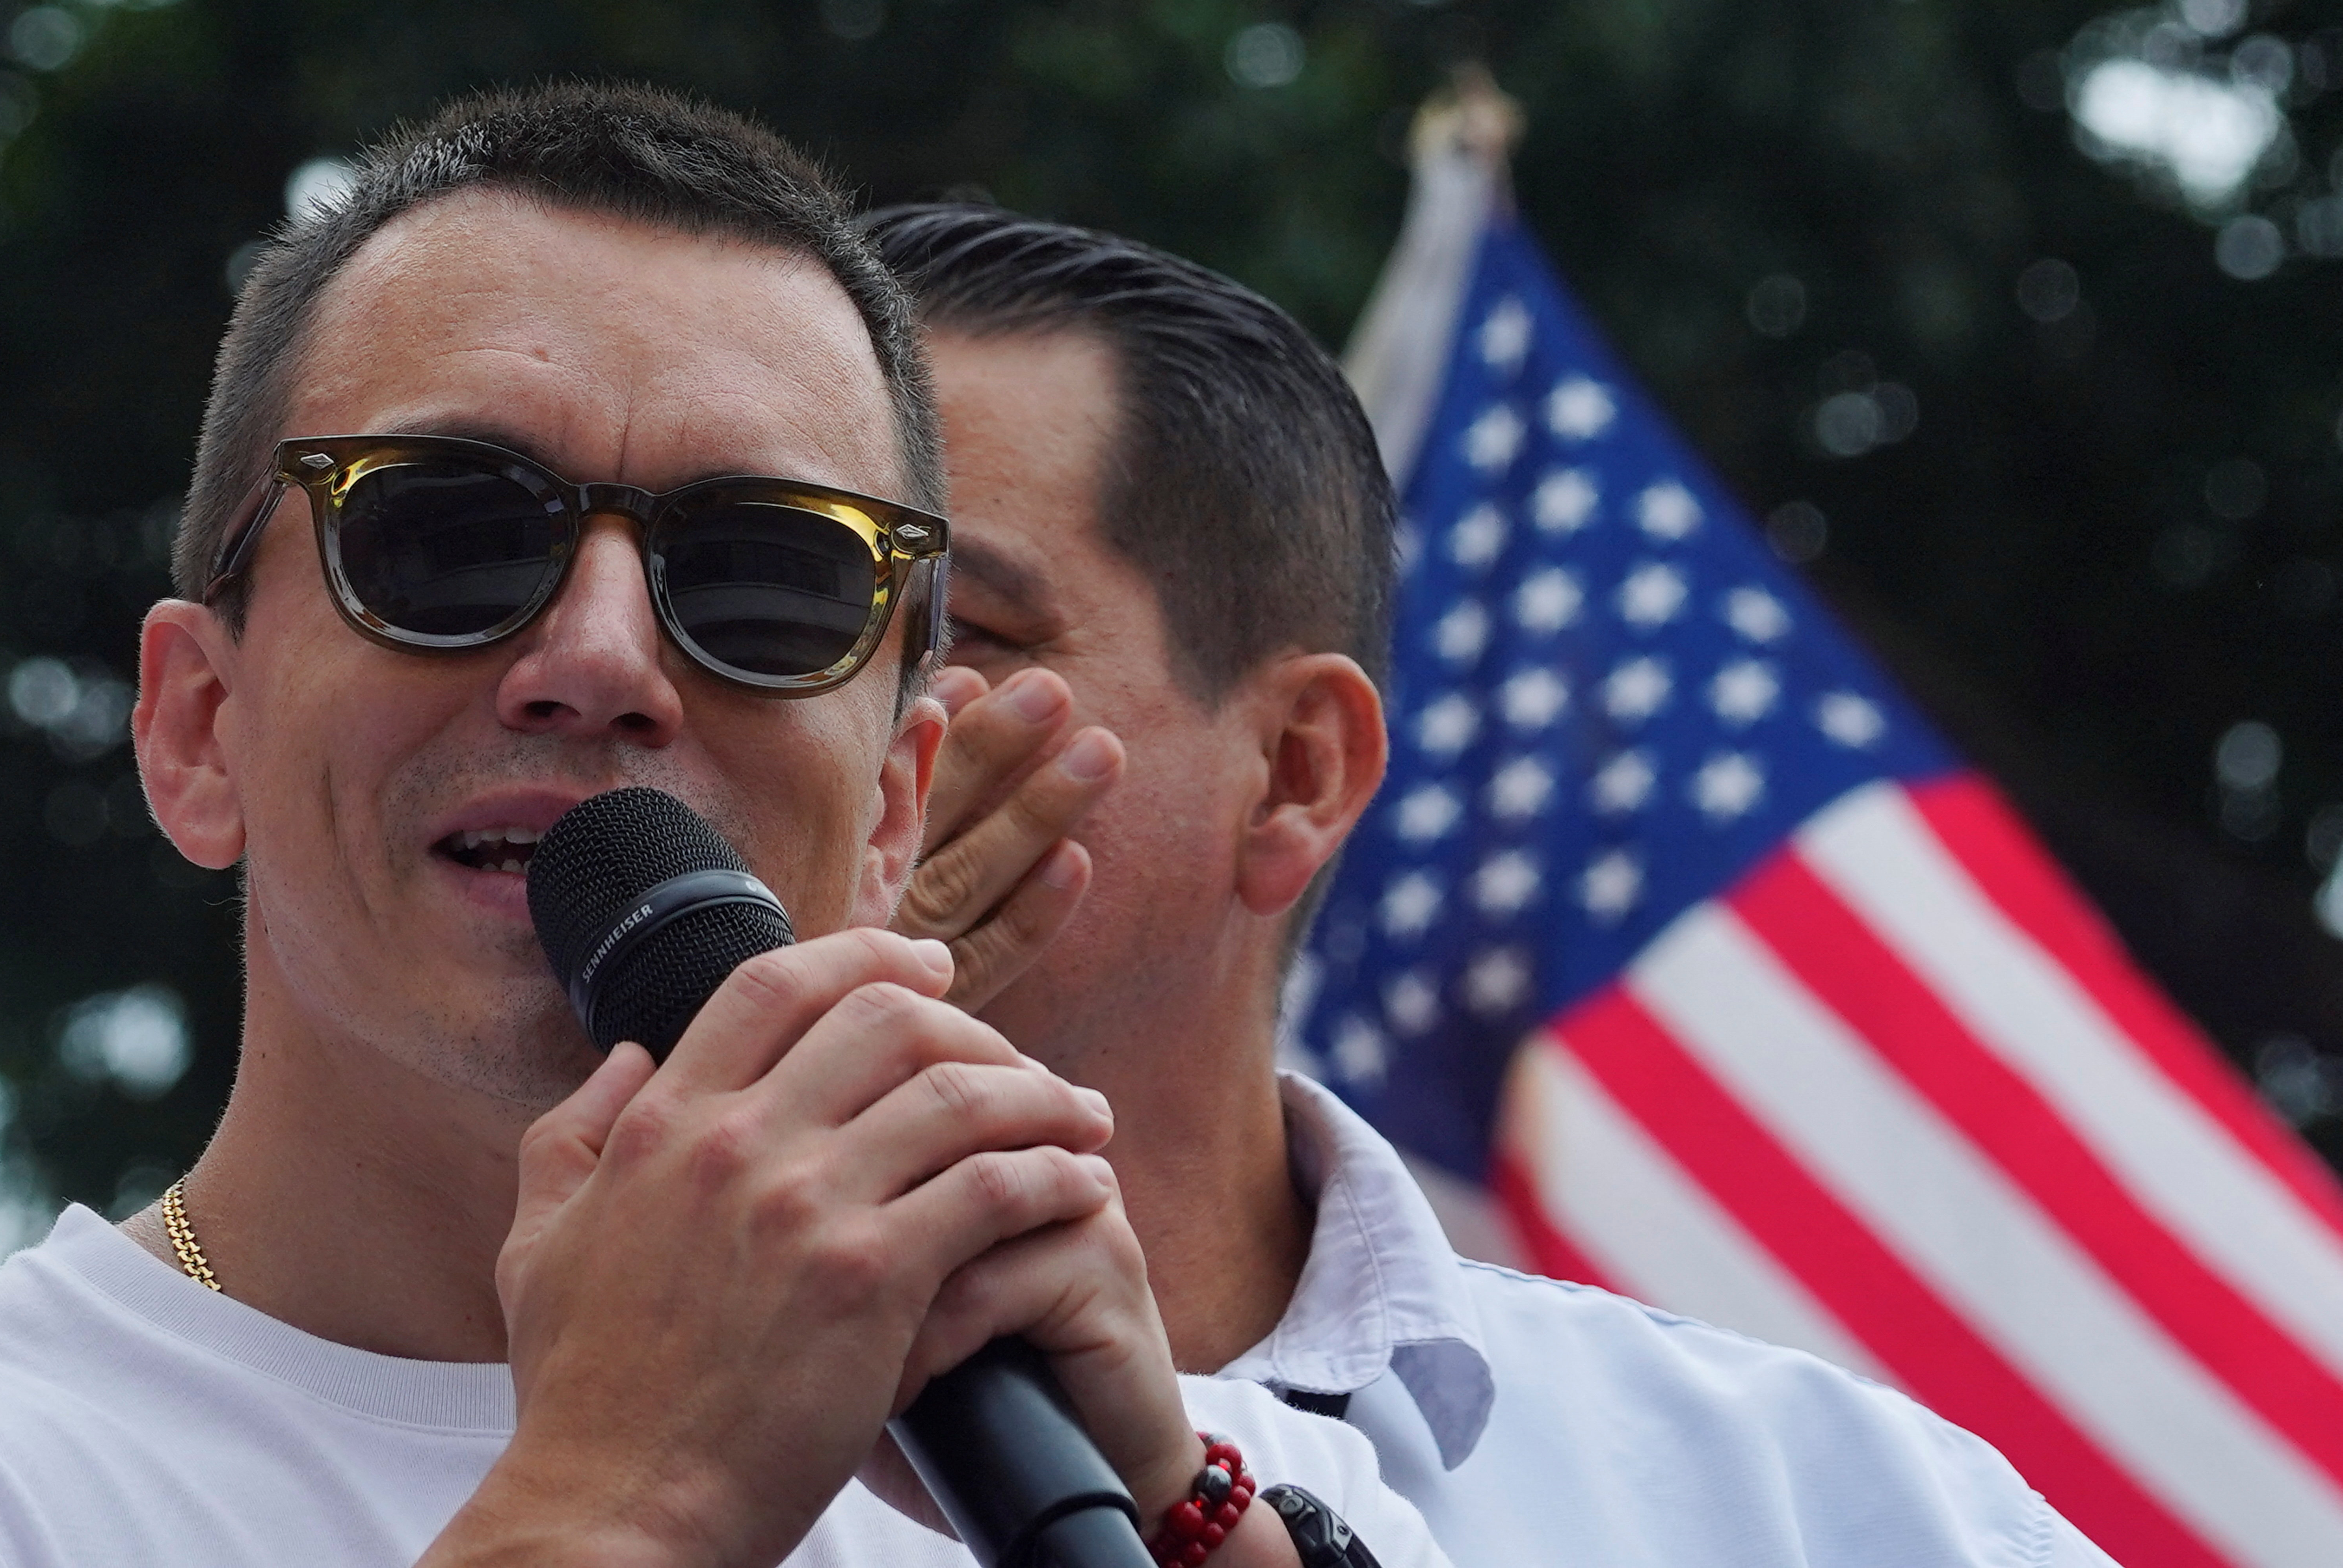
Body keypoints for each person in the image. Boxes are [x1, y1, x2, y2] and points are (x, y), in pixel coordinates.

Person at [0, 86, 1447, 1568]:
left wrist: (1162, 1508)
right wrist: (633, 1495)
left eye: (766, 574)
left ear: (890, 803)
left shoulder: (1204, 1490)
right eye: (441, 534)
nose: (596, 661)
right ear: (196, 724)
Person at [866, 201, 2119, 1568]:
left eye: (940, 628)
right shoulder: (600, 1415)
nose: (806, 703)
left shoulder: (1828, 1511)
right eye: (759, 604)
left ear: (1295, 771)